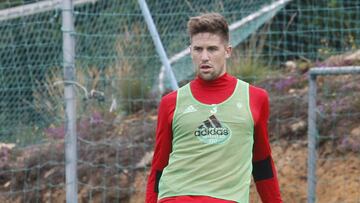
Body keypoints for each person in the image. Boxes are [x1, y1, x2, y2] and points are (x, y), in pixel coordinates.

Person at [146, 12, 282, 203]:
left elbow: (261, 163)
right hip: (175, 197)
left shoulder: (256, 98)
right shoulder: (171, 102)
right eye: (198, 49)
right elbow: (159, 167)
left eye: (212, 49)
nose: (204, 57)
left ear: (227, 51)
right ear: (190, 51)